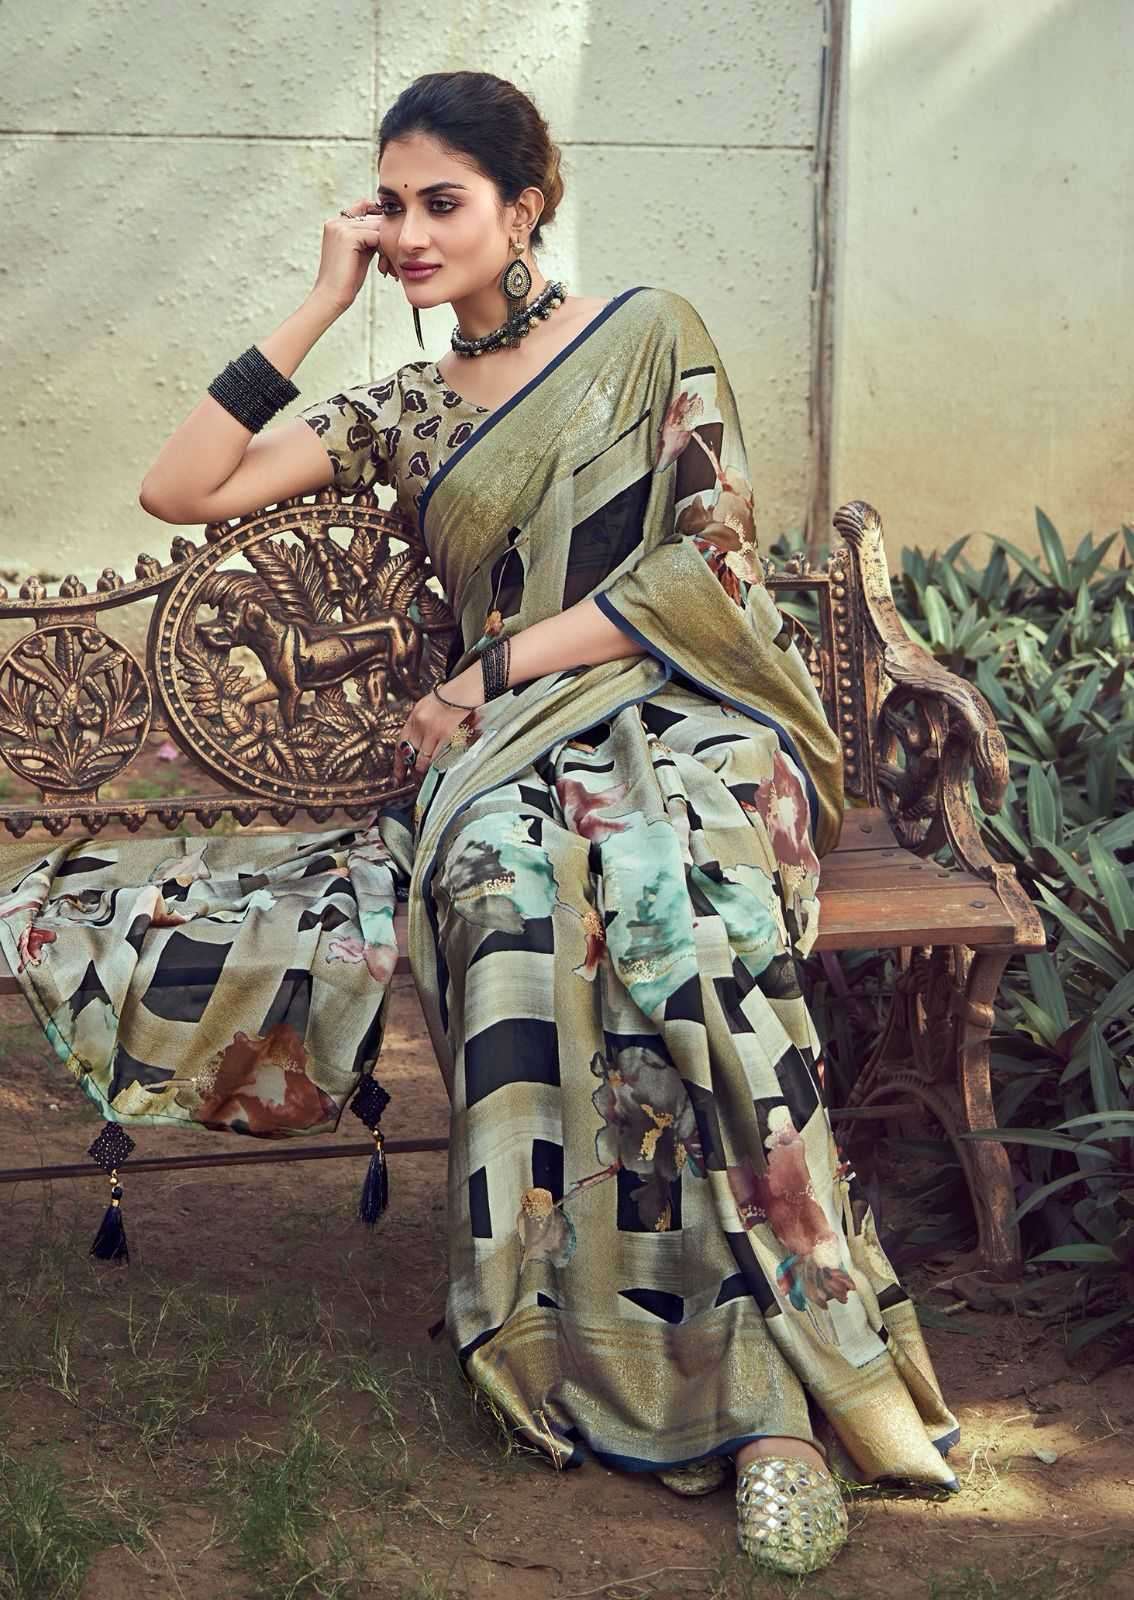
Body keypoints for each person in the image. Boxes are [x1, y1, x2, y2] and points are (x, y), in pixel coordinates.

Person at [139, 69, 957, 1575]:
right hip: (507, 763)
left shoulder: (649, 335)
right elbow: (179, 488)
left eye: (442, 203)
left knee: (680, 917)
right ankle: (575, 1336)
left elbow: (710, 568)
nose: (408, 233)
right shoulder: (402, 410)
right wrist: (317, 304)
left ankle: (774, 1393)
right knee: (515, 918)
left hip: (699, 715)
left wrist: (494, 665)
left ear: (525, 209)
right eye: (390, 206)